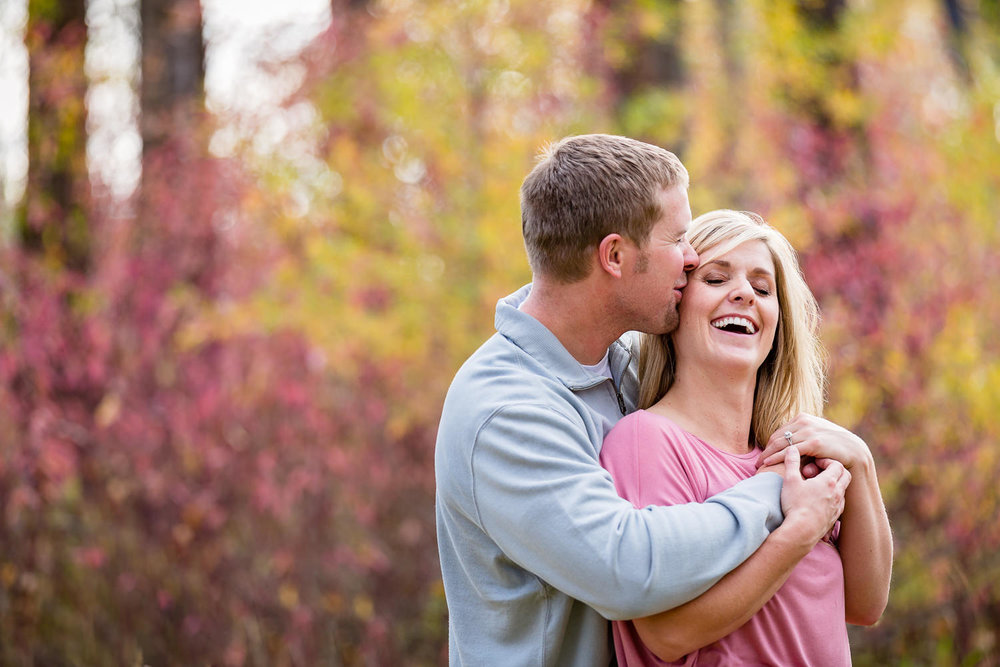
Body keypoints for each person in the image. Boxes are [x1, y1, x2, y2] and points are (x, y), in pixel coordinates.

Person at [434, 134, 853, 666]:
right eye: (677, 239)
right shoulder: (504, 411)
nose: (691, 256)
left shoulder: (626, 364)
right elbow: (627, 568)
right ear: (615, 255)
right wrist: (771, 489)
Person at [600, 209, 893, 665]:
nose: (743, 294)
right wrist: (798, 533)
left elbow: (865, 605)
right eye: (716, 280)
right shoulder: (646, 441)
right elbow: (666, 633)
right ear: (676, 306)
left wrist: (860, 461)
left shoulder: (798, 456)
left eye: (762, 288)